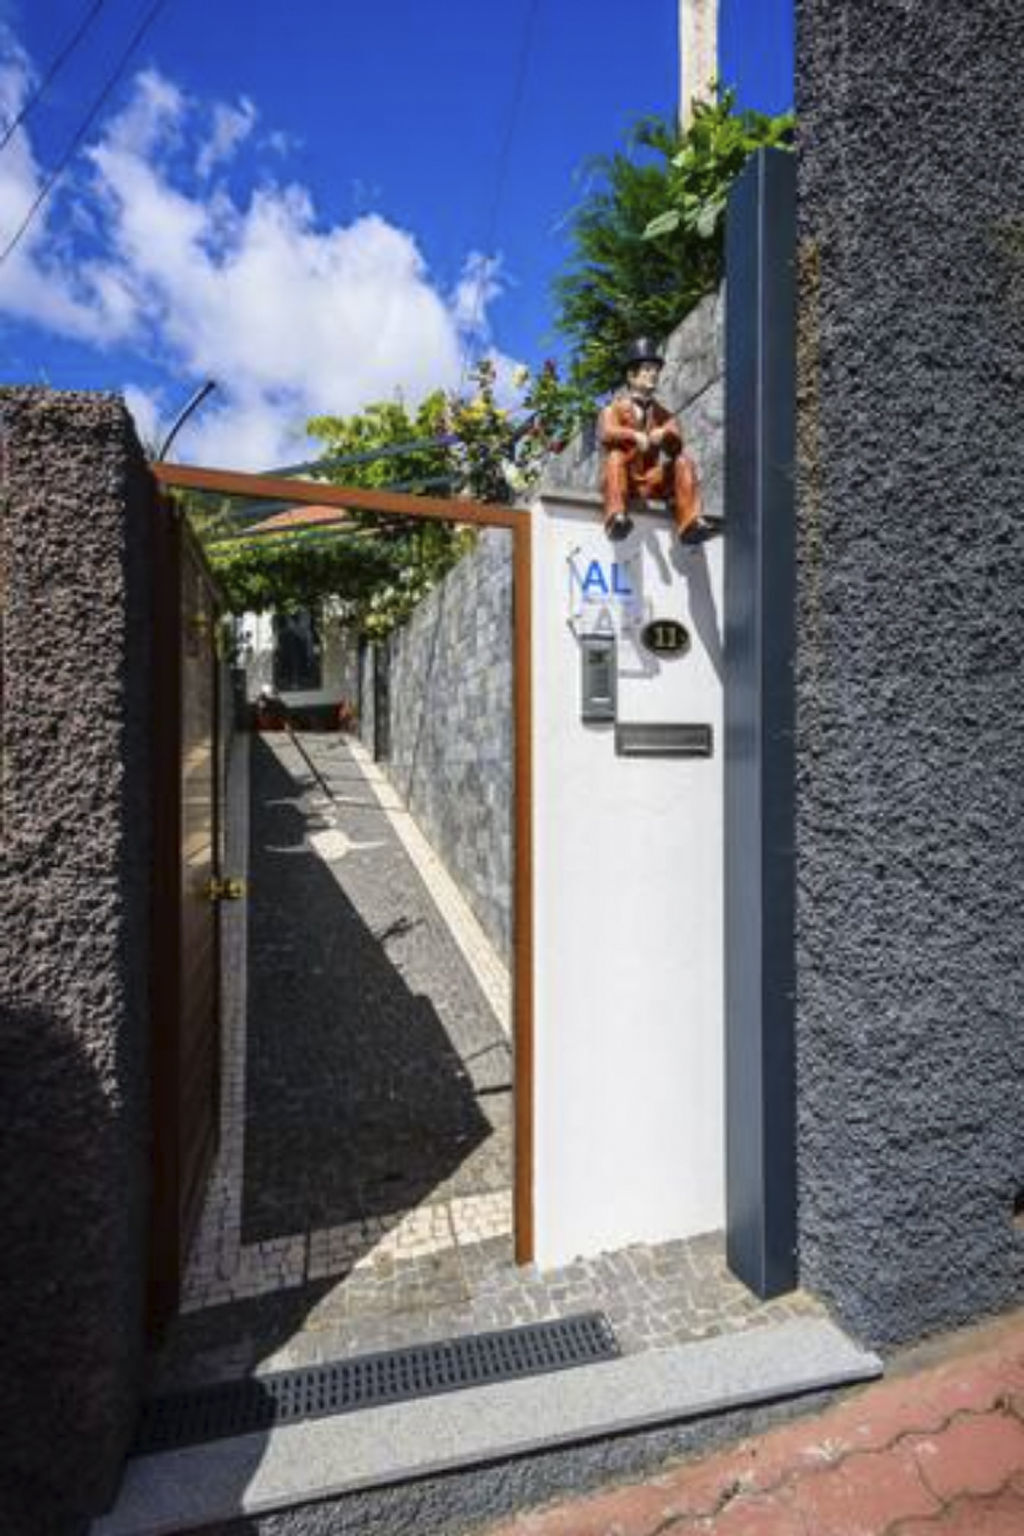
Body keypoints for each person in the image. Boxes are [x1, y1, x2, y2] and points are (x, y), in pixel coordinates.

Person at [599, 337, 722, 544]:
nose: (653, 374)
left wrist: (665, 436)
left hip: (650, 481)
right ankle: (616, 519)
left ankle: (690, 524)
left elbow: (677, 446)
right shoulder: (613, 409)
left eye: (656, 370)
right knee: (615, 456)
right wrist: (633, 435)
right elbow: (607, 433)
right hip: (623, 478)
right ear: (631, 375)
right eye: (647, 369)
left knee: (683, 461)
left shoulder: (663, 414)